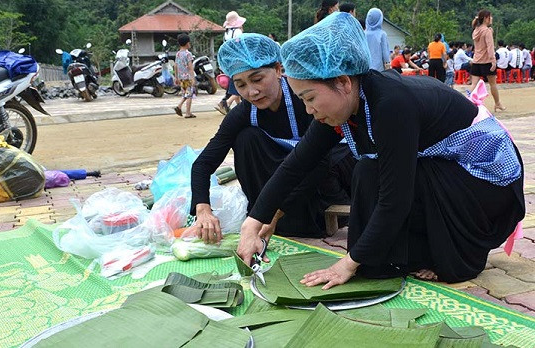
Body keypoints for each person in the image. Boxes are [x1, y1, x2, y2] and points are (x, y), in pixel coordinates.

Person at [237, 12, 524, 288]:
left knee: (380, 173)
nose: (309, 110)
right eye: (301, 100)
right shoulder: (344, 104)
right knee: (367, 170)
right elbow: (296, 164)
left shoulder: (390, 105)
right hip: (448, 171)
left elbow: (394, 200)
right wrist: (254, 221)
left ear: (343, 82)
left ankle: (457, 254)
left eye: (310, 98)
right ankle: (402, 256)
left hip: (486, 181)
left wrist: (347, 264)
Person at [188, 33, 355, 244]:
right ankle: (265, 215)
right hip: (286, 176)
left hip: (323, 173)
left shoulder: (306, 101)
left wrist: (273, 213)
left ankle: (299, 220)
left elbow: (317, 164)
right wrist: (203, 209)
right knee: (246, 139)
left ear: (277, 70)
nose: (252, 92)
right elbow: (203, 163)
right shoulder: (244, 113)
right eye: (240, 85)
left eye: (257, 79)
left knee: (321, 161)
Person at [469, 10, 504, 112]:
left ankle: (466, 101)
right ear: (486, 18)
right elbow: (490, 47)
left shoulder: (476, 30)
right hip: (487, 62)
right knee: (493, 84)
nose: (491, 18)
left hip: (476, 61)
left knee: (473, 84)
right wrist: (493, 61)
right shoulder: (487, 31)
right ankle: (497, 103)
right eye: (490, 16)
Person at [215, 11, 246, 115]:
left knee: (235, 81)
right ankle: (227, 103)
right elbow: (241, 46)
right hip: (238, 60)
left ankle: (239, 107)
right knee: (240, 83)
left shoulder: (227, 33)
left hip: (229, 61)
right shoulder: (237, 32)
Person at [174, 33, 197, 119]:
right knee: (189, 95)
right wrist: (193, 78)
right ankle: (187, 112)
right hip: (188, 77)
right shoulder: (188, 54)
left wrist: (176, 77)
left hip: (181, 78)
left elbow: (175, 65)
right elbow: (190, 67)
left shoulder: (178, 54)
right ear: (187, 43)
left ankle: (179, 106)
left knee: (186, 94)